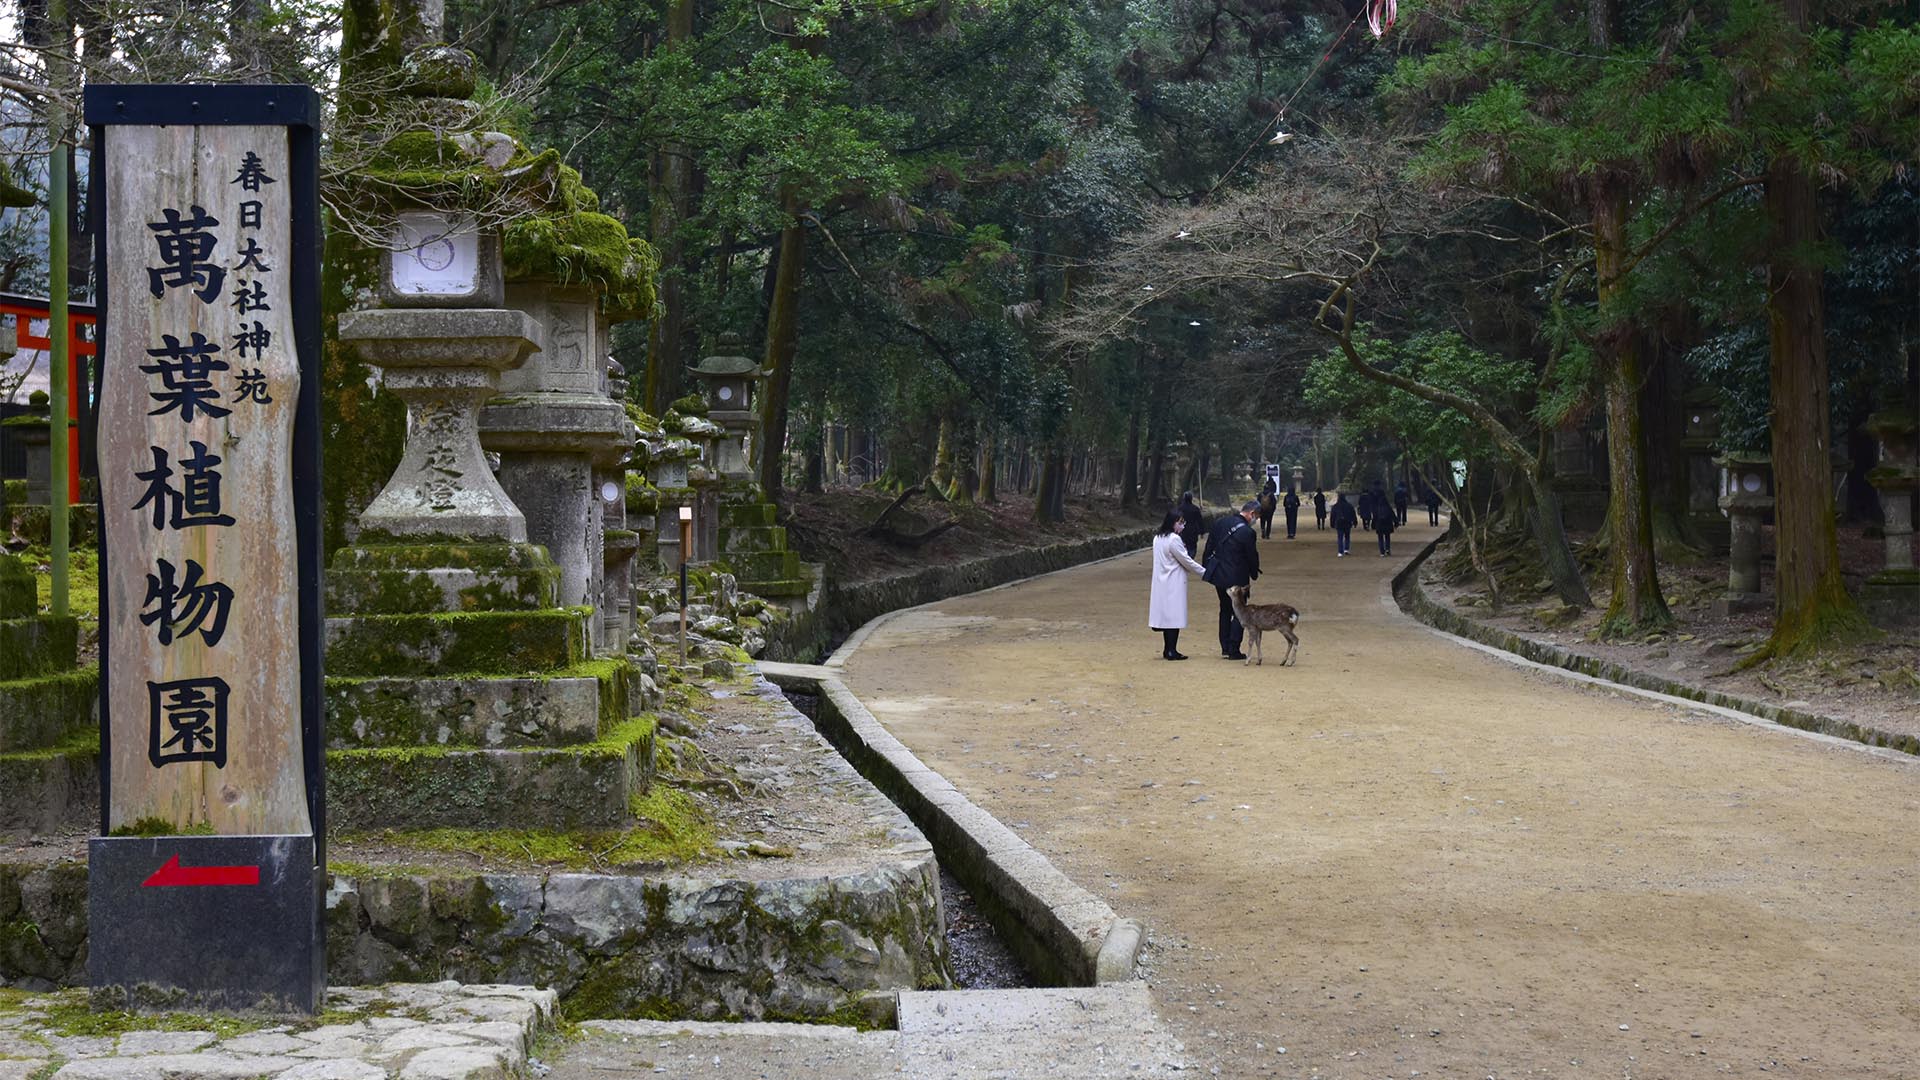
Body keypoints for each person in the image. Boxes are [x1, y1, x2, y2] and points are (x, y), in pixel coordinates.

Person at [1202, 499, 1262, 659]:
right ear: (1252, 514)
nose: (1256, 520)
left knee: (1224, 609)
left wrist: (1207, 567)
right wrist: (1254, 573)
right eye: (1257, 517)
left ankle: (1225, 647)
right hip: (1238, 577)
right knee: (1239, 612)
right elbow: (1251, 556)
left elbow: (1209, 547)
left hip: (1220, 576)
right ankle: (1234, 647)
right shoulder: (1248, 533)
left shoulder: (1220, 523)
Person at [1149, 509, 1207, 660]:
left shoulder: (1158, 538)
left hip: (1161, 581)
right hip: (1173, 581)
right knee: (1174, 617)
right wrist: (1204, 572)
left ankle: (1168, 649)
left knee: (1167, 617)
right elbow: (1186, 560)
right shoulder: (1174, 539)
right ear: (1172, 523)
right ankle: (1171, 650)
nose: (1182, 526)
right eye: (1180, 522)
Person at [1178, 492, 1206, 557]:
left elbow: (1175, 520)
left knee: (1183, 545)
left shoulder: (1180, 508)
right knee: (1192, 547)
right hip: (1193, 531)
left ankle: (1185, 558)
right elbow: (1200, 521)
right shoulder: (1195, 509)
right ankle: (1190, 558)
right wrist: (1202, 532)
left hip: (1182, 530)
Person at [1329, 491, 1357, 557]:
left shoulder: (1335, 506)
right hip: (1347, 522)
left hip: (1339, 523)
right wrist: (1355, 522)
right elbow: (1353, 514)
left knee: (1340, 537)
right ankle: (1346, 549)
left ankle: (1340, 551)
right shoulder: (1349, 505)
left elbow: (1333, 516)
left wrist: (1332, 523)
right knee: (1347, 536)